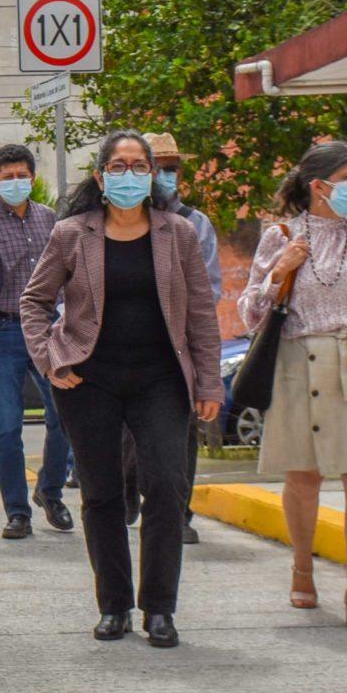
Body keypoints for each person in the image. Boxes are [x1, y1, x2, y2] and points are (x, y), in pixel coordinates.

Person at [20, 129, 223, 649]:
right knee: (103, 493)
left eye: (139, 166)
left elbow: (201, 312)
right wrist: (49, 360)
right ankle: (114, 606)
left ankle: (159, 608)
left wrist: (209, 383)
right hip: (91, 381)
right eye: (119, 166)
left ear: (152, 175)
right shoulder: (71, 233)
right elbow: (35, 302)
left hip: (160, 380)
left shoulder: (177, 233)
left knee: (165, 487)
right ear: (100, 176)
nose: (129, 175)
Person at [239, 142, 347, 634]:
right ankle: (302, 566)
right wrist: (281, 270)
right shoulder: (281, 234)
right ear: (320, 186)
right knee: (304, 475)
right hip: (298, 358)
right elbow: (251, 310)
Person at [0, 144, 76, 538]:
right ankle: (17, 511)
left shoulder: (51, 222)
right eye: (7, 178)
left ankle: (51, 490)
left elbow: (70, 276)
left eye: (21, 175)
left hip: (46, 330)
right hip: (1, 331)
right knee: (5, 427)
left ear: (33, 177)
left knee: (65, 416)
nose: (16, 182)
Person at [144, 132, 220, 545]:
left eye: (171, 168)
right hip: (131, 345)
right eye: (157, 167)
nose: (164, 175)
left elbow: (210, 290)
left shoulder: (195, 224)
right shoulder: (117, 221)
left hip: (179, 346)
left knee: (182, 433)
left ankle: (180, 511)